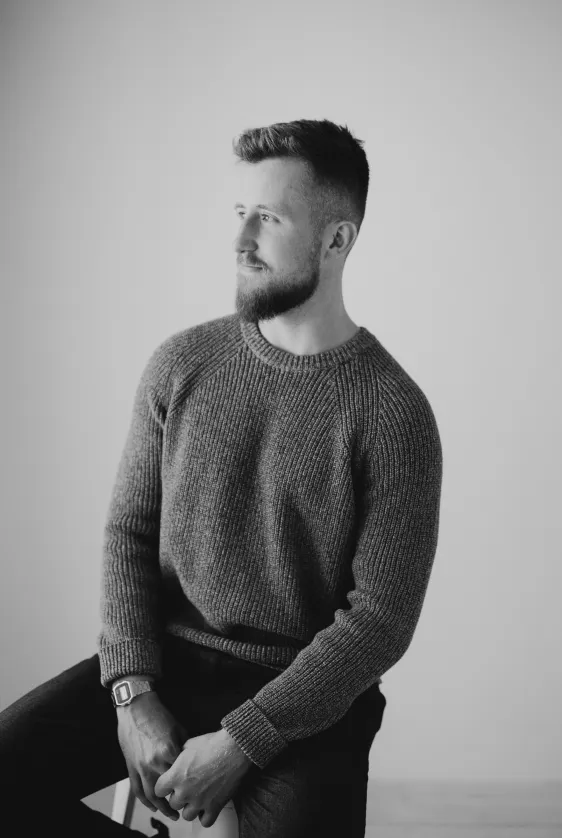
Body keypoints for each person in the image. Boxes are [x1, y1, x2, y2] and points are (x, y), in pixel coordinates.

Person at [0, 118, 443, 837]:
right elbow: (128, 532)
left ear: (337, 241)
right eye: (239, 214)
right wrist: (132, 691)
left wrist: (244, 739)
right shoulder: (181, 364)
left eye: (267, 219)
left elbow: (379, 623)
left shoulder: (394, 414)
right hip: (166, 663)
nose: (240, 242)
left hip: (307, 698)